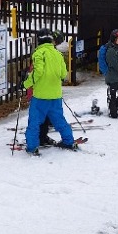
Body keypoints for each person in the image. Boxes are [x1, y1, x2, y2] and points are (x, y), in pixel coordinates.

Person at [23, 27, 76, 155]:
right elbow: (63, 74)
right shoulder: (58, 54)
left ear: (39, 40)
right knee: (59, 120)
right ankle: (68, 141)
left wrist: (26, 83)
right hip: (56, 95)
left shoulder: (39, 53)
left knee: (34, 122)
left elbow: (38, 72)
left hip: (41, 96)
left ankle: (32, 147)